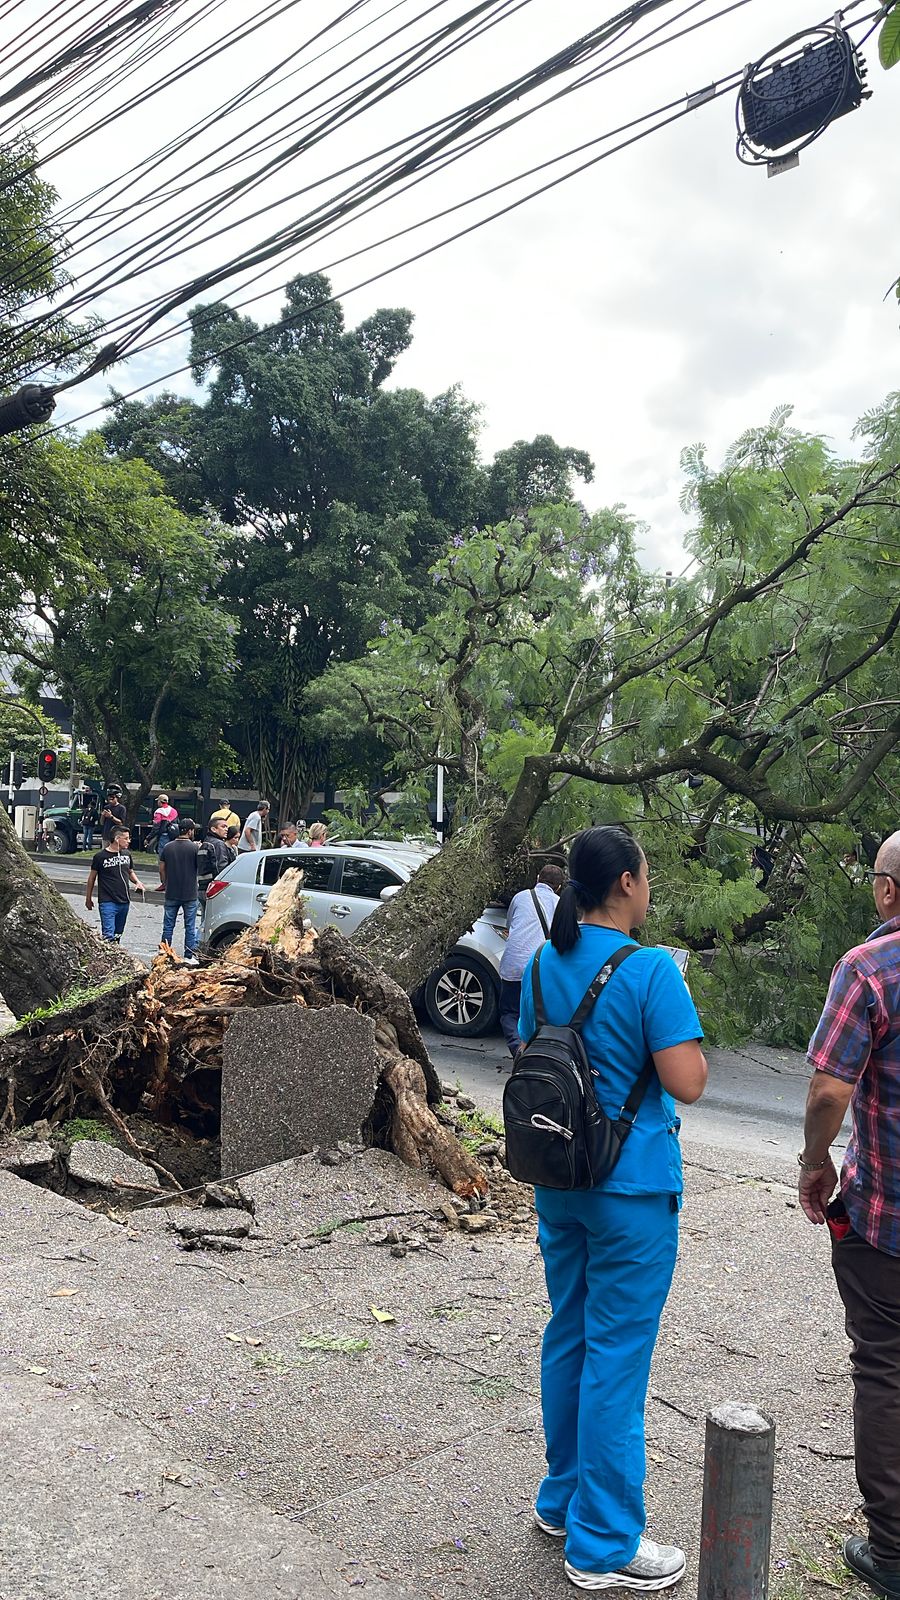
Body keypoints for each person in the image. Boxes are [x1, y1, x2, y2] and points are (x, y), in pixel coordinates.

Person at [519, 825, 707, 1592]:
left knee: (569, 1333)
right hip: (630, 1192)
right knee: (617, 1361)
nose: (649, 884)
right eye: (647, 872)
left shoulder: (543, 961)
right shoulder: (651, 969)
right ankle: (602, 1544)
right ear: (626, 883)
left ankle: (561, 1500)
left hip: (559, 1180)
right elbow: (687, 1080)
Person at [798, 829, 900, 1600]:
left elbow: (831, 1090)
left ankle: (893, 1551)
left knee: (885, 1368)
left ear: (888, 889)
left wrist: (814, 1162)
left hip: (887, 1221)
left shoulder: (868, 969)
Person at [499, 864, 566, 1057]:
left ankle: (518, 1050)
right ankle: (536, 1055)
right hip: (539, 967)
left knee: (510, 1013)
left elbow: (510, 925)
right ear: (559, 887)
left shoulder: (520, 897)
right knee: (537, 1014)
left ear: (537, 878)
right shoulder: (559, 903)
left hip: (513, 965)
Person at [85, 825, 145, 942]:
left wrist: (137, 882)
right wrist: (88, 898)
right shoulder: (100, 857)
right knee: (108, 935)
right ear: (117, 839)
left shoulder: (126, 854)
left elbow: (130, 872)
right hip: (108, 901)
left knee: (118, 934)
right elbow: (92, 878)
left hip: (124, 901)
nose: (129, 841)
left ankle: (115, 955)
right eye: (126, 838)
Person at [159, 819, 204, 965]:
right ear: (190, 831)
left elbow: (161, 868)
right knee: (190, 925)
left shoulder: (167, 847)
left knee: (168, 924)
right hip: (190, 892)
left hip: (172, 891)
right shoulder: (195, 848)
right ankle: (189, 955)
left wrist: (165, 883)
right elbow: (200, 868)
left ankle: (164, 951)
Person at [201, 815, 231, 884]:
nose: (226, 829)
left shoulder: (206, 842)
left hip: (204, 885)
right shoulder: (218, 844)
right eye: (223, 826)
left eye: (227, 827)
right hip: (214, 885)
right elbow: (222, 867)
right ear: (213, 829)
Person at [151, 792, 179, 857]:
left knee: (162, 856)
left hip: (163, 836)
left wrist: (149, 838)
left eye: (158, 801)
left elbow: (156, 827)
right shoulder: (174, 811)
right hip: (173, 836)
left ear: (160, 802)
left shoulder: (158, 812)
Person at [80, 786, 98, 852]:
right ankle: (89, 848)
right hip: (91, 824)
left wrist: (81, 822)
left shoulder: (85, 810)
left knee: (85, 836)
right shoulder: (94, 811)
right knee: (90, 836)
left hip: (85, 824)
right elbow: (96, 818)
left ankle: (83, 848)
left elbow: (81, 816)